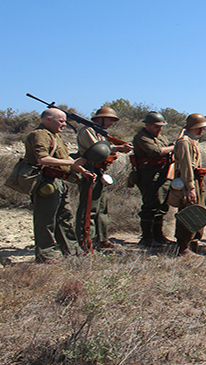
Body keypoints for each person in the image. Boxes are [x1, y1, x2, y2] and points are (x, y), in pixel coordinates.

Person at [25, 108, 96, 263]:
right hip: (46, 183)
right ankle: (46, 256)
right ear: (47, 119)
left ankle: (73, 252)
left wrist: (83, 171)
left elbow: (63, 158)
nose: (64, 124)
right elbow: (42, 159)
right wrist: (72, 163)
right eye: (61, 121)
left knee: (65, 218)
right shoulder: (40, 135)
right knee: (46, 220)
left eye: (65, 121)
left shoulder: (54, 136)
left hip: (59, 182)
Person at [75, 106, 133, 249]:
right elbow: (97, 149)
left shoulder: (99, 133)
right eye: (109, 119)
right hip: (90, 169)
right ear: (99, 118)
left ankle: (101, 239)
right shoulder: (87, 131)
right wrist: (117, 148)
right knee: (89, 207)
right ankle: (85, 240)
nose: (111, 123)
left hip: (99, 170)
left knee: (101, 208)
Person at [132, 111, 176, 248]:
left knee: (161, 205)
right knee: (150, 206)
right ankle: (147, 237)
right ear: (147, 125)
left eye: (161, 126)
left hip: (161, 174)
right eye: (156, 126)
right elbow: (156, 151)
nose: (160, 129)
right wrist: (174, 147)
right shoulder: (141, 137)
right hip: (148, 175)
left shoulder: (160, 137)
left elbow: (164, 148)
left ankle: (158, 235)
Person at [173, 113, 206, 256]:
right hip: (189, 181)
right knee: (188, 212)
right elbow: (186, 167)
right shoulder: (184, 142)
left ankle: (193, 242)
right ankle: (183, 246)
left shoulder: (191, 141)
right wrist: (190, 187)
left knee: (197, 212)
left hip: (196, 180)